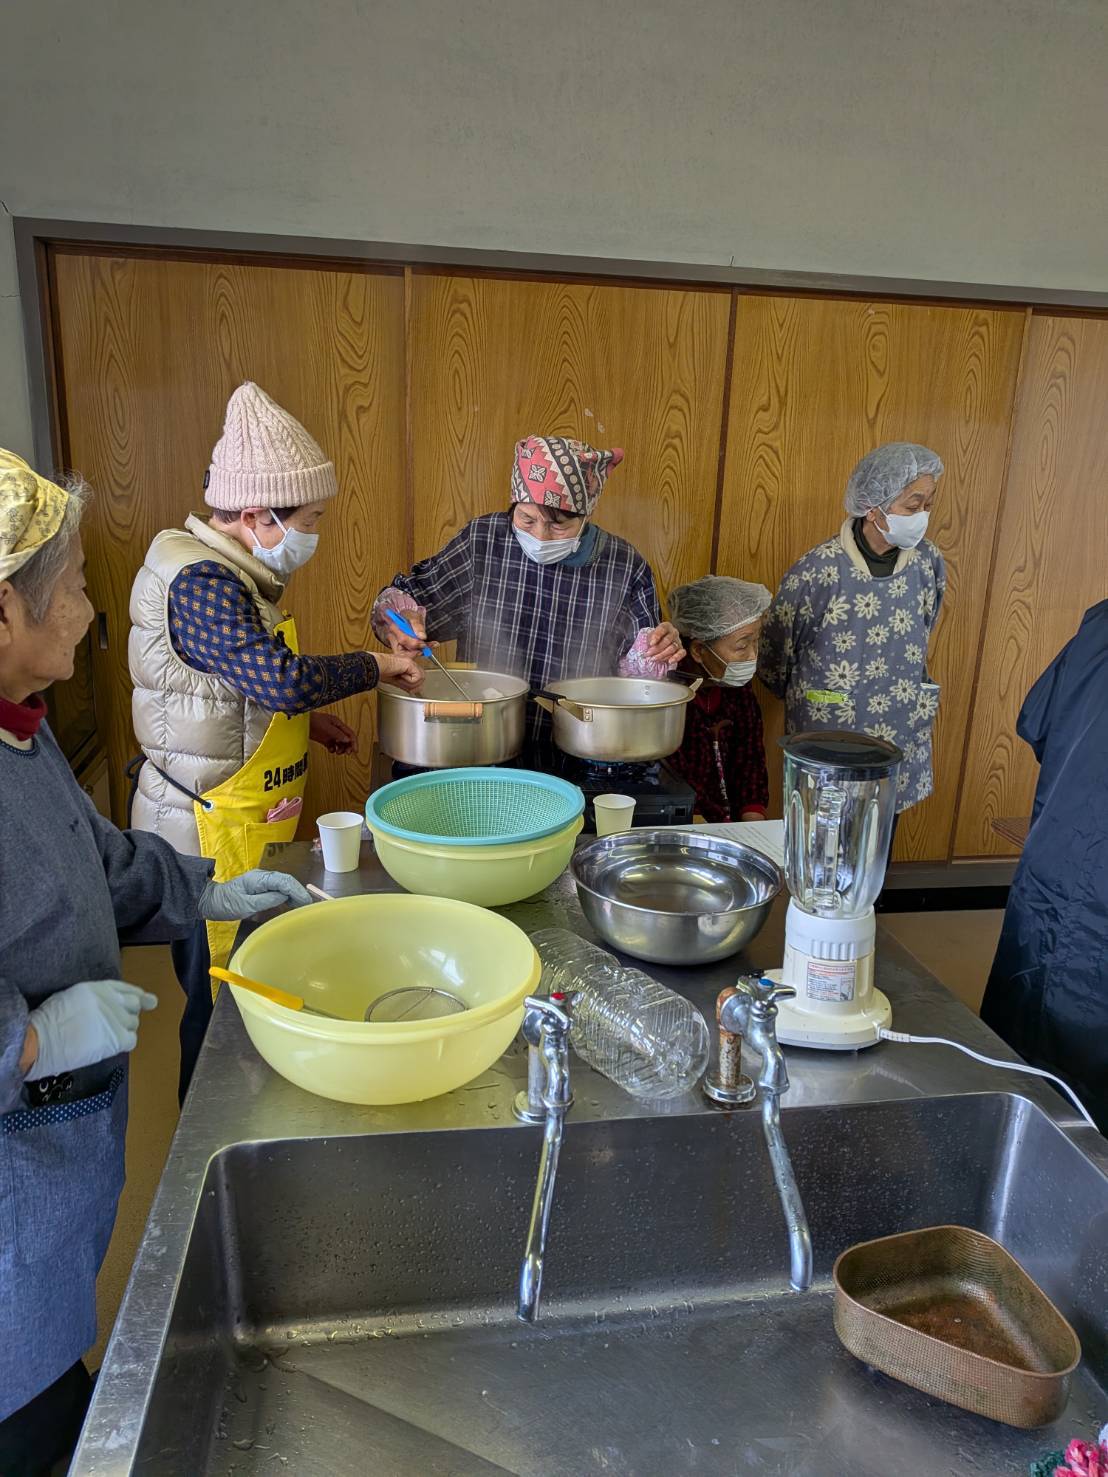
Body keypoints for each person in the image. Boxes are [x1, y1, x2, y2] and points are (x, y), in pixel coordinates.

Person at [0, 450, 311, 1472]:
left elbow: (96, 857)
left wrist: (203, 890)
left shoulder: (20, 730)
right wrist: (36, 1037)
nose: (90, 612)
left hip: (54, 1188)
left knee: (55, 1365)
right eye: (78, 587)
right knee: (32, 1416)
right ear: (7, 611)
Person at [128, 383, 421, 1097]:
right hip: (203, 832)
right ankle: (203, 1129)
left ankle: (237, 1099)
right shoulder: (199, 580)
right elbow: (279, 678)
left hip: (240, 817)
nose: (315, 533)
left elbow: (240, 687)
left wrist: (301, 723)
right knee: (215, 995)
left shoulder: (233, 569)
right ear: (258, 514)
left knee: (244, 980)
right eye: (310, 518)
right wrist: (376, 664)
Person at [371, 435, 684, 766]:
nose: (540, 536)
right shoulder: (484, 542)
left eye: (559, 525)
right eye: (527, 519)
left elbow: (641, 684)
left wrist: (656, 651)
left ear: (586, 514)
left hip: (584, 751)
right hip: (482, 745)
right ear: (514, 506)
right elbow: (407, 600)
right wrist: (402, 622)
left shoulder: (624, 565)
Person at [758, 443, 946, 824]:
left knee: (877, 842)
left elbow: (926, 624)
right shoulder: (817, 571)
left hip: (897, 729)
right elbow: (776, 654)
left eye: (928, 504)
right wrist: (830, 696)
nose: (922, 515)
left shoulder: (929, 562)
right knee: (820, 844)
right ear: (874, 507)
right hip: (828, 734)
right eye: (913, 505)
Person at [980, 602, 1108, 1131]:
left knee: (1015, 1054)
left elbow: (1037, 721)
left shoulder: (1102, 623)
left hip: (1058, 858)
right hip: (1089, 887)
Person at [666, 575, 771, 823]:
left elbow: (751, 763)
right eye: (742, 646)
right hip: (685, 825)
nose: (752, 656)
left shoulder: (738, 691)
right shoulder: (669, 698)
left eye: (755, 642)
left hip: (732, 828)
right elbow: (671, 779)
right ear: (699, 651)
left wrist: (753, 826)